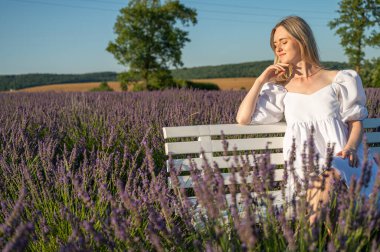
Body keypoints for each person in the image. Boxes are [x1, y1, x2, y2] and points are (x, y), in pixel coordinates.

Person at [236, 16, 379, 224]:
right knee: (319, 186)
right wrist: (260, 80)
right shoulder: (280, 88)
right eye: (275, 45)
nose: (278, 49)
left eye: (283, 42)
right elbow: (243, 118)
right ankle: (313, 237)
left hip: (342, 160)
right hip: (305, 168)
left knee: (327, 179)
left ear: (301, 40)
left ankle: (307, 238)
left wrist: (349, 148)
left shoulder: (339, 79)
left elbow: (355, 121)